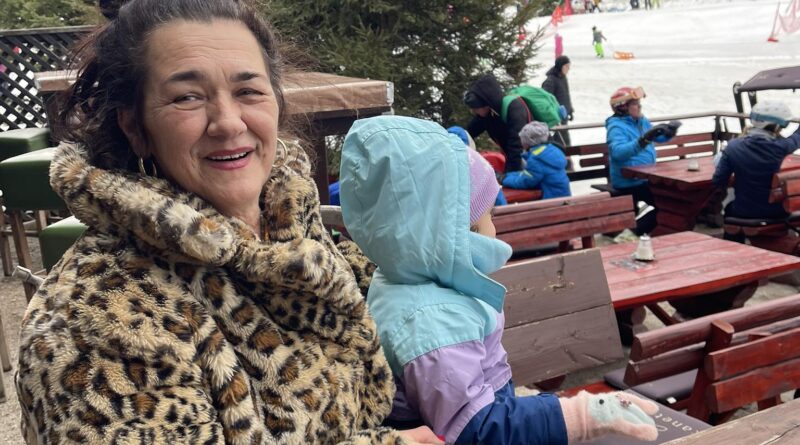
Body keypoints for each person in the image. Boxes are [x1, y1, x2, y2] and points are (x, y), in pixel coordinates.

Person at [16, 1, 442, 444]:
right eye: (187, 97)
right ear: (135, 128)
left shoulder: (285, 219)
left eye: (248, 91)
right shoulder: (93, 319)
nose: (228, 122)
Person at [338, 115, 660, 445]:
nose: (495, 227)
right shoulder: (431, 322)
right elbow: (475, 429)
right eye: (489, 215)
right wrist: (584, 415)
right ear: (460, 231)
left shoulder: (406, 279)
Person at [713, 100, 800, 242]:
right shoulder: (782, 147)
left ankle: (733, 247)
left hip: (744, 211)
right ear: (777, 126)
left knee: (730, 209)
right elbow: (797, 137)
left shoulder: (733, 146)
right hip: (778, 212)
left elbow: (719, 180)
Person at [606, 86, 680, 237]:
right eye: (635, 104)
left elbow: (656, 137)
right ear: (623, 107)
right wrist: (643, 140)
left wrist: (668, 133)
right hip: (628, 181)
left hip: (645, 178)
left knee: (670, 204)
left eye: (639, 103)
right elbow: (618, 153)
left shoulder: (640, 121)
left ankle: (635, 232)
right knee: (665, 206)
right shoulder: (616, 127)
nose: (639, 106)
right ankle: (631, 234)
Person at [463, 73, 531, 189]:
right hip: (516, 158)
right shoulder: (487, 115)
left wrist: (509, 176)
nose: (474, 112)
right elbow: (469, 132)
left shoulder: (514, 108)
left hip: (531, 158)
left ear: (486, 104)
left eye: (475, 108)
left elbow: (516, 145)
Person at [517, 121, 572, 198]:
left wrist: (504, 179)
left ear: (527, 142)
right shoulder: (551, 150)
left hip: (550, 200)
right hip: (564, 196)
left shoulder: (536, 159)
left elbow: (526, 181)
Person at [542, 55, 574, 147]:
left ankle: (566, 154)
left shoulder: (563, 78)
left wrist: (570, 110)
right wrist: (552, 114)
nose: (568, 69)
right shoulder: (550, 81)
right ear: (560, 66)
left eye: (569, 66)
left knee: (565, 141)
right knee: (561, 142)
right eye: (566, 66)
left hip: (563, 116)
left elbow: (565, 96)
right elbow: (546, 100)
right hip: (556, 118)